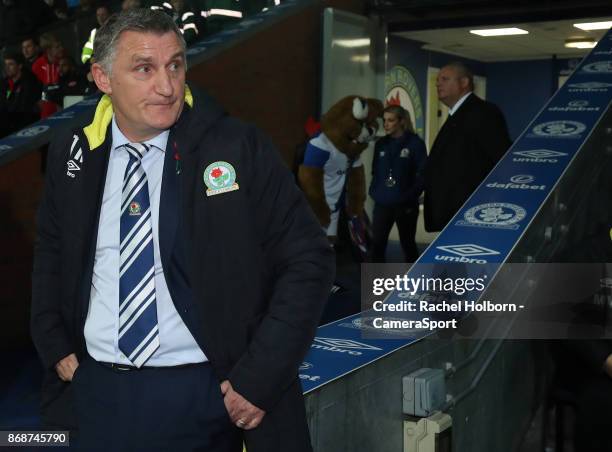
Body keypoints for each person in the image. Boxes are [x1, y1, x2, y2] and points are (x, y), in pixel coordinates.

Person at [31, 8, 333, 452]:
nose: (167, 86)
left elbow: (308, 258)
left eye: (175, 64)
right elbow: (52, 250)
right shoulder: (73, 152)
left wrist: (259, 377)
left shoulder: (236, 147)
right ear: (102, 78)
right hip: (95, 391)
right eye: (144, 69)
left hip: (208, 395)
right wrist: (53, 341)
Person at [424, 61, 511, 232]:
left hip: (468, 210)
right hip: (452, 210)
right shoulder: (456, 114)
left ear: (463, 83)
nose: (438, 83)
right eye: (437, 80)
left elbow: (499, 158)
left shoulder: (483, 112)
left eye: (445, 79)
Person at [369, 105, 427, 262]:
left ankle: (415, 283)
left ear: (401, 121)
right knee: (377, 245)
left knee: (408, 244)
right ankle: (377, 284)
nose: (386, 124)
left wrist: (409, 195)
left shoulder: (415, 144)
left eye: (390, 120)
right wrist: (375, 192)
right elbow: (375, 171)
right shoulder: (380, 144)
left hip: (406, 205)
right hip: (382, 203)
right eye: (384, 120)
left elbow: (423, 175)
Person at [0, 52, 42, 137]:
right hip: (8, 124)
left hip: (25, 127)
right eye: (6, 64)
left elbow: (23, 108)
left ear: (20, 66)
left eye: (11, 64)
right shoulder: (5, 82)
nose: (7, 68)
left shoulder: (30, 82)